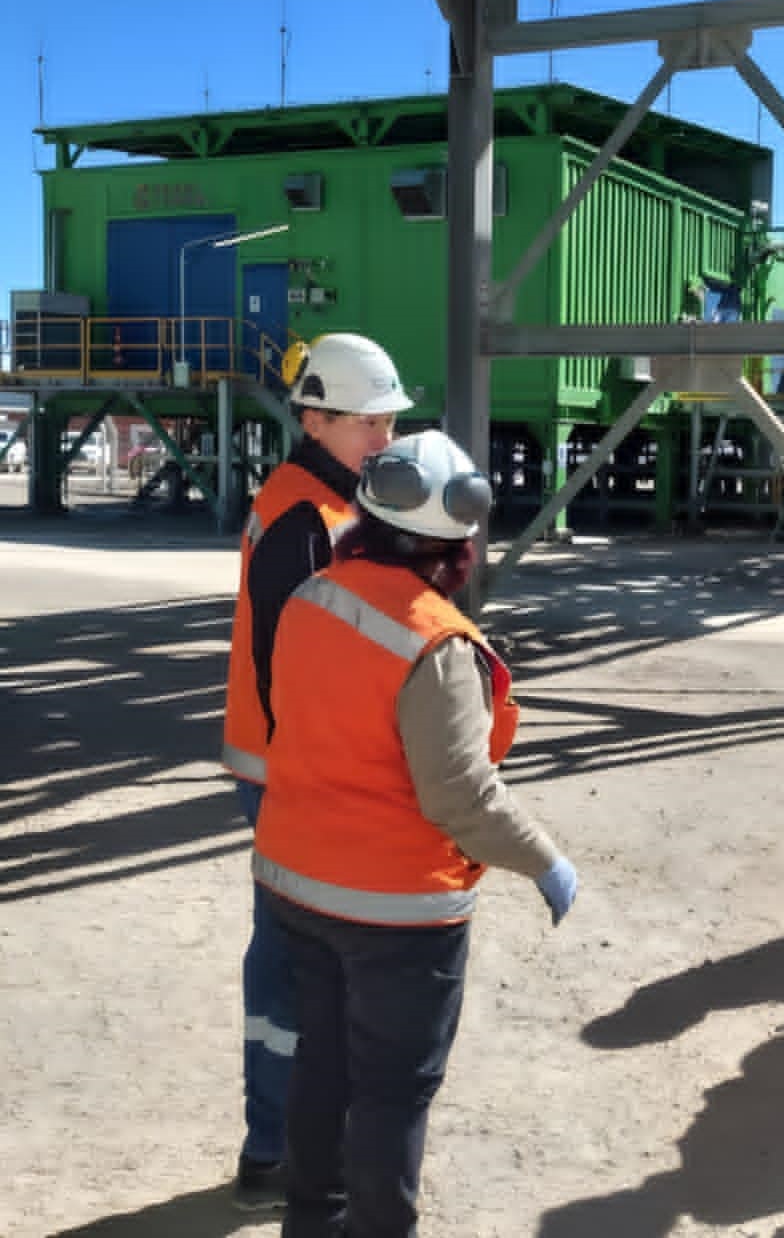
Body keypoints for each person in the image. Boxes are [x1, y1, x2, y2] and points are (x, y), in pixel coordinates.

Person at [254, 429, 578, 1238]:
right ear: (460, 544)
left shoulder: (311, 598)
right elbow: (460, 796)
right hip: (395, 911)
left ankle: (310, 1220)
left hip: (296, 881)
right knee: (392, 1093)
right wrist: (544, 860)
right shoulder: (434, 641)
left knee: (323, 1063)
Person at [221, 332, 412, 1210]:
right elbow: (283, 665)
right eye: (367, 422)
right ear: (314, 419)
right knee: (294, 959)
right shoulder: (303, 516)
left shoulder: (336, 503)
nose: (383, 436)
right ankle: (275, 1149)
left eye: (388, 421)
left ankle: (283, 1144)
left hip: (292, 765)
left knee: (296, 953)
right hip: (287, 770)